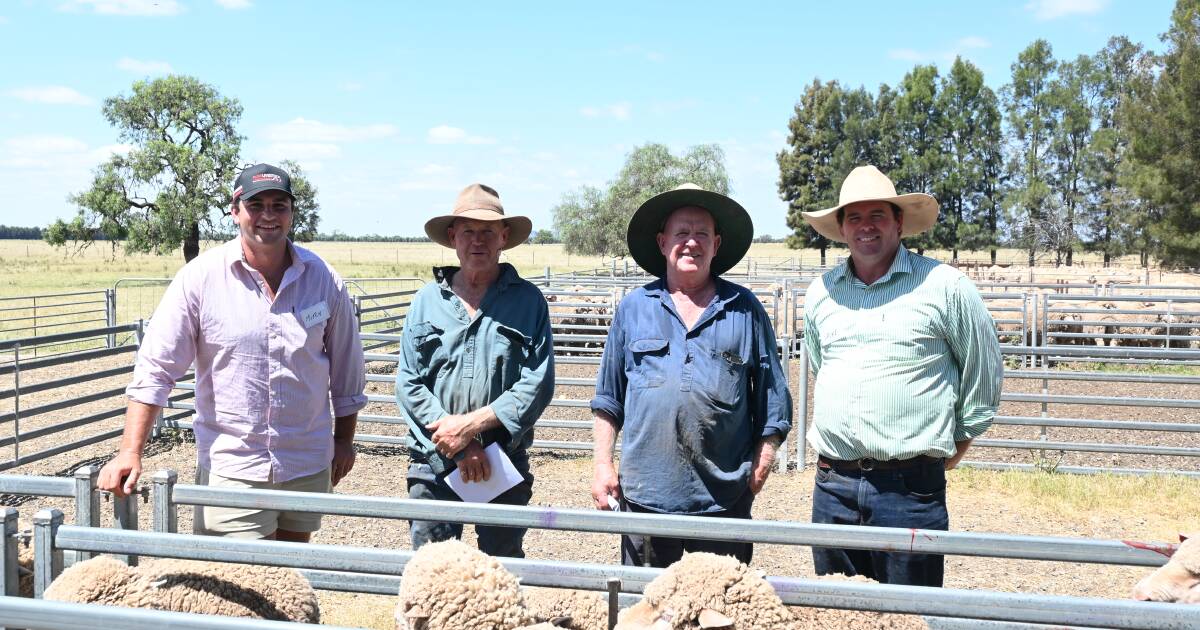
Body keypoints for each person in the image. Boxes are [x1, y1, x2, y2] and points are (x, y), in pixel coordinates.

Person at [98, 162, 367, 542]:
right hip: (235, 466)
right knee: (238, 587)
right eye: (256, 205)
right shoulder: (202, 278)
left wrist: (343, 440)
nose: (268, 216)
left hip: (306, 461)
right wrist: (130, 451)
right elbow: (156, 368)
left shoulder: (323, 279)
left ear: (292, 213)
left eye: (280, 205)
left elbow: (346, 369)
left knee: (291, 580)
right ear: (235, 210)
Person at [800, 165, 1003, 586]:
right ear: (841, 227)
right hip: (834, 484)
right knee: (837, 612)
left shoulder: (945, 287)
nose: (866, 227)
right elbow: (821, 366)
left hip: (909, 489)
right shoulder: (822, 292)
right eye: (854, 217)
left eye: (877, 215)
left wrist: (953, 443)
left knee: (909, 614)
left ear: (898, 224)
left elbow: (983, 374)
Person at [590, 183, 792, 567]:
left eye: (702, 233)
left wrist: (760, 468)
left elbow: (774, 398)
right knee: (648, 617)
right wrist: (602, 465)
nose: (691, 243)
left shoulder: (744, 309)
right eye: (682, 232)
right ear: (663, 242)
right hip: (646, 498)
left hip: (722, 502)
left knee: (719, 615)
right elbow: (608, 400)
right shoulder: (634, 308)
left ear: (716, 244)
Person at [397, 183, 554, 558]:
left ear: (504, 238)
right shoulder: (425, 302)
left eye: (487, 232)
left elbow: (538, 381)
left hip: (501, 461)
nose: (477, 241)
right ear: (453, 238)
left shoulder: (528, 301)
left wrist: (472, 427)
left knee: (501, 570)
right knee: (433, 576)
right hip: (433, 462)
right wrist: (457, 442)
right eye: (468, 231)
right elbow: (408, 381)